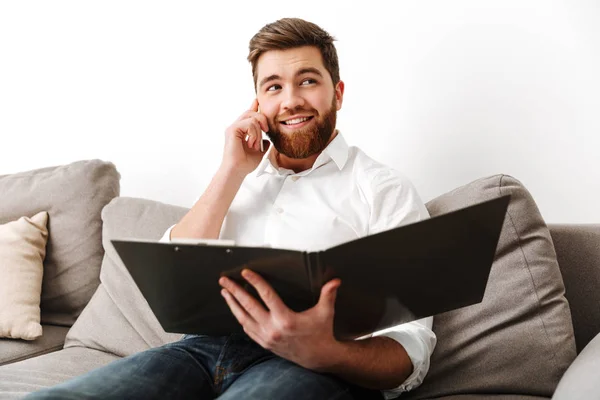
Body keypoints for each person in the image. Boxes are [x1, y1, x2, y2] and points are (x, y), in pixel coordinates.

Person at [26, 17, 436, 400]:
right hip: (202, 350)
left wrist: (325, 352)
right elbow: (173, 273)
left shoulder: (383, 189)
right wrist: (230, 170)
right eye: (273, 87)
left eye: (307, 81)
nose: (291, 101)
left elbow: (411, 347)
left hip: (319, 366)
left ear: (338, 93)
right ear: (257, 102)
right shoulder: (239, 176)